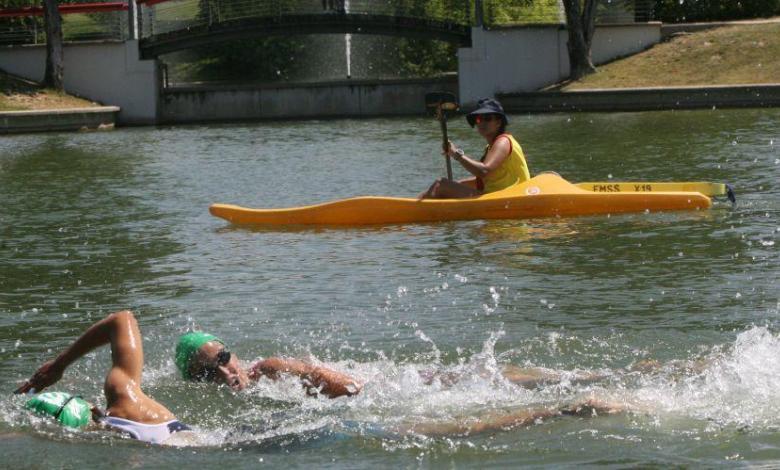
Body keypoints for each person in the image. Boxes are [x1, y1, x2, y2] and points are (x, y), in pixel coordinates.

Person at [15, 310, 191, 445]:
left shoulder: (107, 450)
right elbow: (122, 319)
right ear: (92, 409)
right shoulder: (125, 399)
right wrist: (58, 365)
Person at [175, 331, 363, 397]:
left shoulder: (269, 369)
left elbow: (353, 387)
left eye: (223, 359)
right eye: (208, 372)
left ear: (234, 355)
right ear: (194, 379)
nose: (227, 374)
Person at [420, 98, 531, 199]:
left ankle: (415, 213)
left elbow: (484, 170)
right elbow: (487, 178)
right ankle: (411, 204)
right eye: (478, 119)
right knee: (446, 186)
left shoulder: (503, 141)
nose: (482, 123)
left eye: (487, 118)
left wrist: (456, 154)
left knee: (440, 185)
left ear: (498, 122)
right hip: (497, 197)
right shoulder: (491, 147)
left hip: (505, 198)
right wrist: (457, 185)